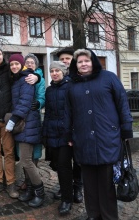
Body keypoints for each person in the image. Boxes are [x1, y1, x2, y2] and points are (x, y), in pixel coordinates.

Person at [65, 49, 133, 219]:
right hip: (83, 139)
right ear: (76, 65)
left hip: (106, 137)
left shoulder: (108, 78)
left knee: (106, 181)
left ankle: (109, 215)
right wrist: (68, 135)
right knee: (88, 182)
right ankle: (93, 214)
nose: (83, 64)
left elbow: (122, 102)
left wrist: (126, 127)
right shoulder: (72, 84)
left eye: (86, 61)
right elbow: (68, 112)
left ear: (93, 61)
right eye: (80, 62)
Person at [0, 46, 38, 199]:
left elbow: (24, 73)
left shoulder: (9, 71)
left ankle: (11, 183)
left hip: (8, 120)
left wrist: (36, 76)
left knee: (10, 152)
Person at [6, 54, 44, 208]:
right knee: (25, 159)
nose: (14, 66)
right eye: (11, 64)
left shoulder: (26, 78)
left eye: (17, 64)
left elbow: (25, 102)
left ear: (22, 65)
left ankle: (40, 192)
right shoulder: (18, 79)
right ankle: (30, 190)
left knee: (26, 160)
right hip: (25, 123)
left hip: (27, 123)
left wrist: (13, 119)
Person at [42, 61, 73, 215]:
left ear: (64, 71)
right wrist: (45, 133)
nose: (54, 73)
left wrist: (72, 133)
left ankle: (67, 199)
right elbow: (47, 113)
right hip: (52, 132)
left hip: (66, 134)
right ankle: (67, 190)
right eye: (52, 70)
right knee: (56, 165)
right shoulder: (49, 90)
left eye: (57, 70)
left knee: (63, 166)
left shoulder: (70, 87)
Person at [54, 46, 83, 203]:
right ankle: (64, 187)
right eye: (62, 59)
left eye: (67, 58)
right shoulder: (56, 80)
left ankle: (78, 188)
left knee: (78, 162)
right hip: (62, 129)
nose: (65, 61)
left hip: (77, 128)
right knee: (63, 163)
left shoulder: (78, 79)